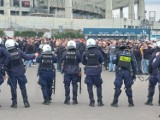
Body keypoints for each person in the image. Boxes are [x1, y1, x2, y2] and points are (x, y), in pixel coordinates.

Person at [5, 39, 38, 108]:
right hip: (20, 72)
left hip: (11, 73)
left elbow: (4, 64)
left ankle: (14, 103)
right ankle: (26, 102)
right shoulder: (19, 51)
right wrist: (34, 55)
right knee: (23, 87)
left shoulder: (6, 53)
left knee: (13, 88)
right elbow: (27, 57)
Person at [82, 38, 104, 107]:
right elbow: (102, 60)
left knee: (89, 87)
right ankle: (100, 101)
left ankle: (91, 101)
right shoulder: (98, 51)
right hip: (97, 71)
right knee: (99, 86)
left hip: (88, 71)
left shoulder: (85, 52)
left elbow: (83, 62)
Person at [61, 40, 81, 105]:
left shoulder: (65, 52)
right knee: (75, 85)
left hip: (67, 71)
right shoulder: (77, 52)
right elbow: (80, 60)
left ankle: (67, 99)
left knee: (67, 85)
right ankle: (75, 100)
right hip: (75, 71)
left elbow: (62, 59)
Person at [145, 41, 160, 106]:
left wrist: (150, 72)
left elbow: (151, 65)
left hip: (154, 73)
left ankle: (150, 100)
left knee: (151, 87)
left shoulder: (154, 54)